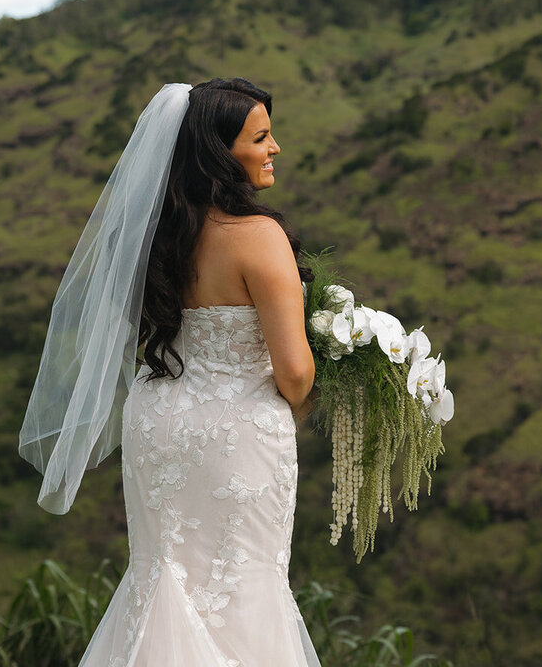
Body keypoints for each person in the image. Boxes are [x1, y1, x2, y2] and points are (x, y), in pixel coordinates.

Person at [19, 78, 321, 666]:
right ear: (219, 153)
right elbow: (294, 372)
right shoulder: (259, 238)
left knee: (163, 580)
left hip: (158, 419)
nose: (275, 147)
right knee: (244, 588)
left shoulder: (154, 238)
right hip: (238, 435)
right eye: (261, 137)